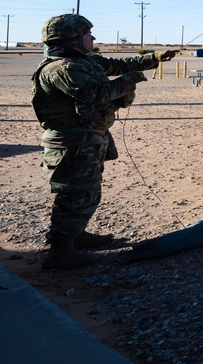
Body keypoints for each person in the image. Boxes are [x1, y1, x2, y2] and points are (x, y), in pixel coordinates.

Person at [31, 14, 175, 269]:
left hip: (86, 141)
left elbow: (116, 65)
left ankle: (76, 235)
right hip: (71, 146)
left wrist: (153, 58)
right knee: (75, 195)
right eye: (88, 34)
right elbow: (96, 94)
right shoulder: (63, 68)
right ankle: (60, 253)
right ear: (73, 38)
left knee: (86, 193)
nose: (93, 38)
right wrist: (130, 81)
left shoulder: (83, 62)